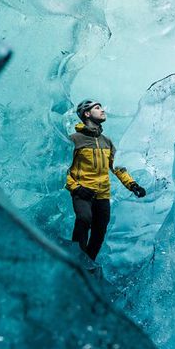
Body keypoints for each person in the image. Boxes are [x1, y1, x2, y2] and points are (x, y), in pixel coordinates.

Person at [65, 99, 146, 261]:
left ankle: (88, 264)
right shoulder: (74, 139)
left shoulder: (106, 141)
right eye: (97, 108)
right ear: (87, 114)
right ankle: (76, 258)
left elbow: (117, 167)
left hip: (102, 195)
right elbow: (62, 169)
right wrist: (76, 188)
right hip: (83, 192)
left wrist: (132, 184)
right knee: (84, 218)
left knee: (99, 232)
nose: (102, 110)